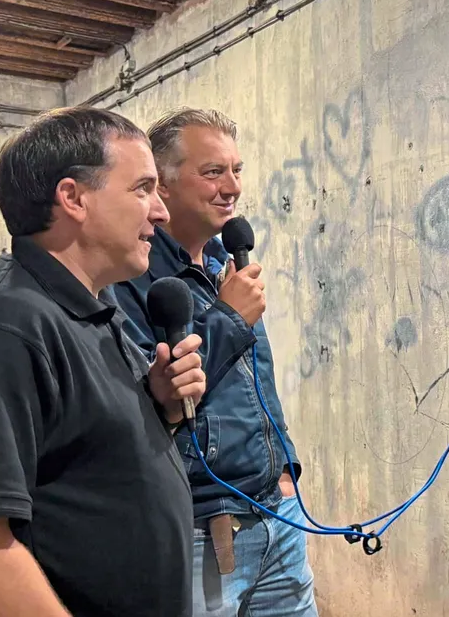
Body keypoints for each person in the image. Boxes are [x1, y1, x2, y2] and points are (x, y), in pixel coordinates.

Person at [0, 106, 207, 617]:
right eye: (141, 188)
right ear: (73, 198)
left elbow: (83, 460)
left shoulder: (88, 309)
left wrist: (161, 407)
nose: (161, 211)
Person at [110, 107, 317, 616]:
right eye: (212, 172)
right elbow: (148, 398)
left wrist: (284, 467)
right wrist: (228, 316)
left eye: (236, 170)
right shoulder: (132, 276)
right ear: (162, 185)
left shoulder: (229, 264)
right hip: (200, 526)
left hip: (276, 514)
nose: (231, 187)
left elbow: (257, 382)